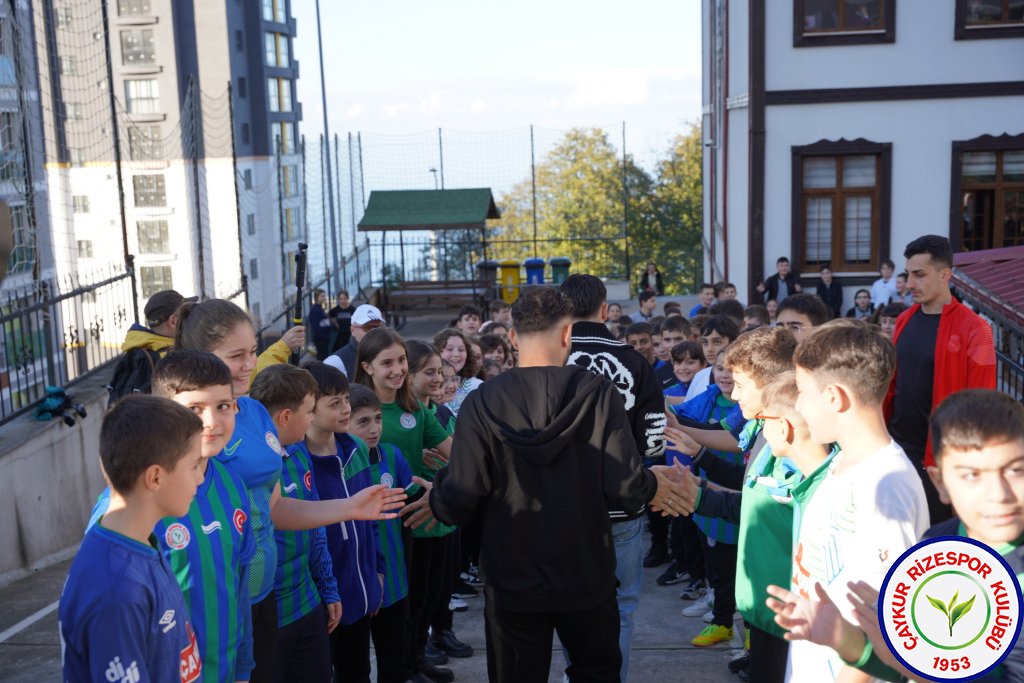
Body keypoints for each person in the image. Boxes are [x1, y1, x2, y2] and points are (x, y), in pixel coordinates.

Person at [404, 285, 693, 683]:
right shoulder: (598, 393)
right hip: (585, 572)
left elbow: (462, 496)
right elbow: (625, 487)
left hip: (512, 577)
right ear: (567, 335)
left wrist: (438, 497)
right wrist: (653, 482)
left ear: (512, 336)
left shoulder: (483, 402)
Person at [174, 298, 407, 682]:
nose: (251, 364)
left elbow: (277, 506)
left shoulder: (250, 412)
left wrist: (347, 507)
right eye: (237, 355)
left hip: (274, 600)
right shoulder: (186, 435)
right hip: (221, 607)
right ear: (200, 356)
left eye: (253, 351)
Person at [767, 389, 1024, 683]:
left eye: (1016, 470)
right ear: (940, 483)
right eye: (971, 475)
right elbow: (911, 666)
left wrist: (911, 661)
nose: (998, 494)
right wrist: (844, 636)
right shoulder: (936, 544)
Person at [88, 351, 257, 683]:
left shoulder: (233, 486)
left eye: (224, 405)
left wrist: (243, 668)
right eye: (194, 409)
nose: (211, 422)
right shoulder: (126, 503)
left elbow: (238, 589)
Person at [786, 319, 928, 682]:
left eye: (802, 391)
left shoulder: (885, 486)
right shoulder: (841, 461)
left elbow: (886, 618)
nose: (798, 405)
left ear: (834, 397)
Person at [558, 273, 668, 683]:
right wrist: (644, 481)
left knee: (571, 603)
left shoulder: (552, 359)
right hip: (622, 503)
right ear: (605, 310)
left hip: (562, 507)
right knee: (621, 605)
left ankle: (579, 677)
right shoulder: (634, 361)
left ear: (563, 308)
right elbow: (654, 434)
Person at [60, 395, 205, 683]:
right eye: (194, 466)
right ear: (155, 478)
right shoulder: (117, 589)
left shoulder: (140, 539)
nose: (200, 479)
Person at [354, 328, 457, 683]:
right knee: (397, 603)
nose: (397, 370)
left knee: (424, 595)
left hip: (417, 513)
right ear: (367, 366)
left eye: (401, 361)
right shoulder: (354, 407)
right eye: (387, 363)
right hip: (373, 523)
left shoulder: (412, 405)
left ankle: (414, 661)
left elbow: (453, 452)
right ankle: (406, 665)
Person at [885, 234, 997, 525]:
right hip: (897, 451)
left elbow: (983, 407)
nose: (910, 284)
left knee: (935, 549)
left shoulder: (976, 329)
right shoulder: (904, 320)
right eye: (909, 274)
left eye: (919, 275)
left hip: (940, 461)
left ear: (945, 274)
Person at [249, 365, 340, 683]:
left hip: (308, 605)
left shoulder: (300, 453)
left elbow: (315, 529)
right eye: (310, 411)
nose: (313, 418)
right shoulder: (251, 470)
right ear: (286, 417)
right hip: (267, 615)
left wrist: (328, 588)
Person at [346, 383, 421, 683]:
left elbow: (411, 509)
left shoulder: (392, 456)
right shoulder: (338, 468)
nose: (374, 428)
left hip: (394, 579)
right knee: (354, 666)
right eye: (363, 421)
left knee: (394, 659)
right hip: (357, 586)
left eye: (377, 418)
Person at [673, 354, 742, 647]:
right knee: (719, 566)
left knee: (745, 572)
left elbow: (723, 435)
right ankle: (722, 620)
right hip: (713, 496)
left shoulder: (747, 410)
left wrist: (677, 425)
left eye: (733, 370)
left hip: (740, 502)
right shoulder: (708, 399)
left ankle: (747, 631)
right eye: (720, 368)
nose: (725, 375)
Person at [107, 289, 196, 403]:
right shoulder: (169, 357)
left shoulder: (135, 350)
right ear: (174, 321)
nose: (189, 320)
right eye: (185, 315)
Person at [684, 315, 741, 401]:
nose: (709, 349)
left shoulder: (745, 377)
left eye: (717, 342)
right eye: (705, 342)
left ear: (733, 342)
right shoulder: (700, 376)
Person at [433, 328, 483, 417]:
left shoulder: (477, 387)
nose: (456, 354)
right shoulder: (429, 385)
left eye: (461, 350)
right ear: (437, 351)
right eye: (449, 349)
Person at [326, 304, 386, 378]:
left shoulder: (391, 354)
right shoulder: (335, 363)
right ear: (352, 330)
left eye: (378, 328)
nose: (373, 332)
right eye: (367, 328)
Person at [655, 316, 691, 390]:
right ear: (661, 341)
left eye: (678, 339)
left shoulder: (701, 368)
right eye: (667, 340)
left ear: (690, 339)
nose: (673, 345)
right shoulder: (657, 374)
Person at [665, 340, 705, 406]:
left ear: (703, 364)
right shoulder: (668, 392)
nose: (683, 368)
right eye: (678, 363)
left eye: (690, 362)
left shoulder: (713, 389)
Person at [309, 288, 332, 361]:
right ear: (316, 297)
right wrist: (324, 335)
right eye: (321, 296)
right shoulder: (315, 310)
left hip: (324, 339)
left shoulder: (320, 309)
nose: (324, 298)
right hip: (320, 340)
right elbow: (316, 328)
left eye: (324, 296)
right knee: (322, 359)